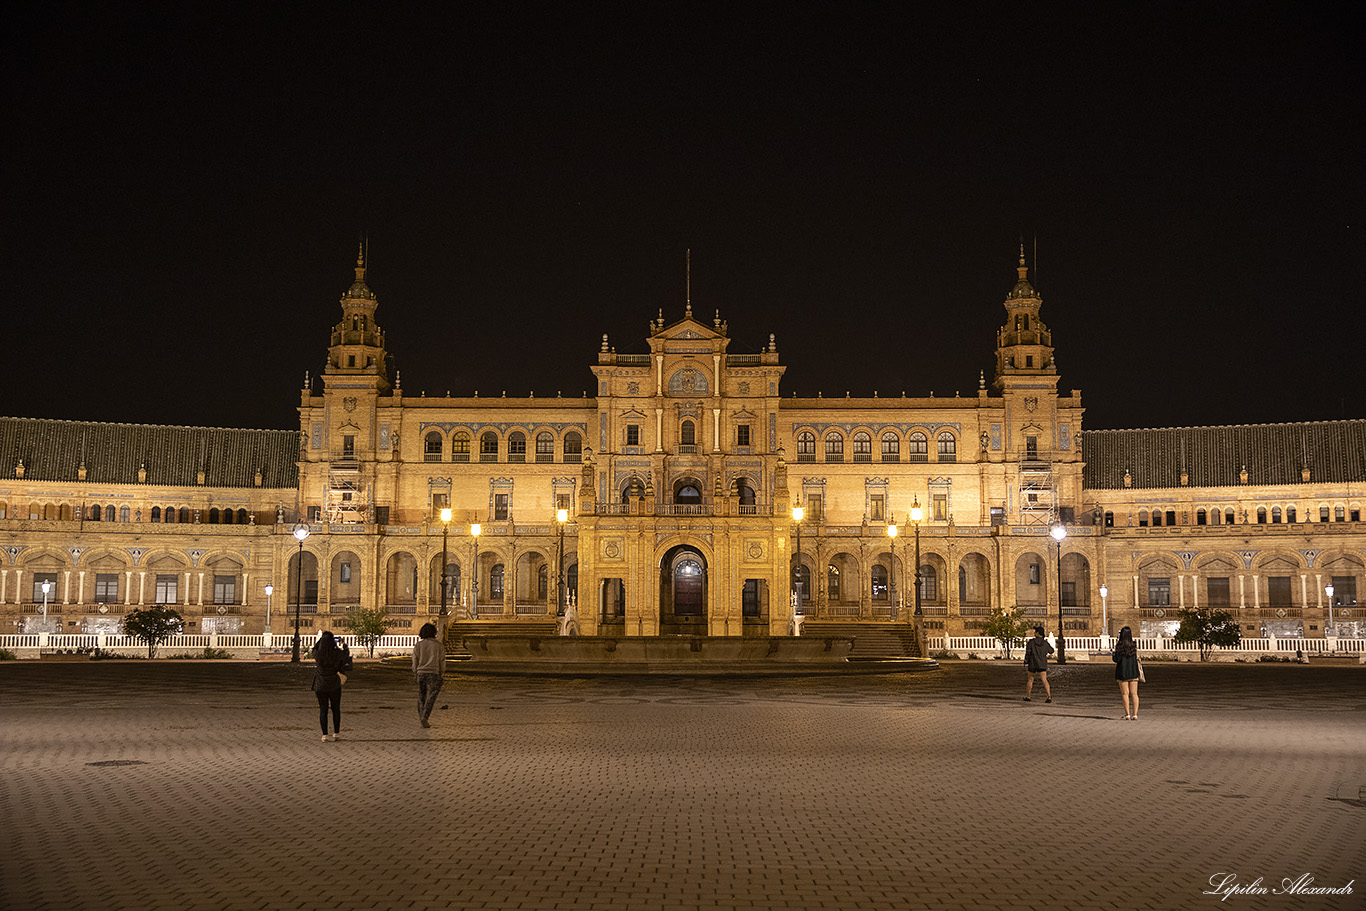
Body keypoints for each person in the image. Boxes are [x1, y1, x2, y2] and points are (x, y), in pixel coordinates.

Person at [311, 630, 352, 742]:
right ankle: (336, 733)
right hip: (334, 684)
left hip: (320, 685)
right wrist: (344, 646)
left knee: (323, 710)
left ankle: (324, 735)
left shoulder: (318, 655)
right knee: (335, 709)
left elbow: (314, 649)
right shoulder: (337, 654)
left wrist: (321, 639)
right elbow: (346, 656)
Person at [412, 622, 446, 728]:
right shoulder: (438, 645)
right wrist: (442, 672)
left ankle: (421, 715)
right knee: (431, 696)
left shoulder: (418, 645)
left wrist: (415, 672)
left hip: (421, 672)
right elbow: (442, 661)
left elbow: (415, 660)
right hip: (434, 673)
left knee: (421, 696)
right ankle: (425, 717)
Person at [1113, 626, 1142, 720]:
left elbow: (1116, 659)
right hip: (1133, 671)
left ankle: (1127, 714)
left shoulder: (1120, 645)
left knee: (1125, 693)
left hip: (1122, 671)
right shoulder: (1133, 645)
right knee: (1134, 694)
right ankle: (1135, 714)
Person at [1023, 626, 1053, 703]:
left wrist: (1026, 661)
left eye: (1035, 631)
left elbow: (1028, 652)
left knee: (1030, 680)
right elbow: (1051, 650)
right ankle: (1049, 696)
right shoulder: (1045, 643)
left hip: (1032, 663)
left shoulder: (1031, 642)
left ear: (1038, 633)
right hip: (1042, 663)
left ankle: (1028, 696)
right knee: (1044, 680)